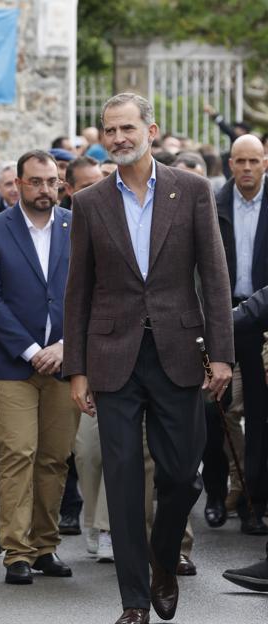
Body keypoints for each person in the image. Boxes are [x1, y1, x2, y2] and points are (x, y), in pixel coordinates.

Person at [63, 93, 233, 624]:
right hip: (112, 356)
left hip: (180, 353)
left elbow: (214, 274)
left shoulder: (193, 190)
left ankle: (163, 557)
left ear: (151, 130)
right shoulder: (89, 203)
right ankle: (134, 600)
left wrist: (222, 355)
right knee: (122, 480)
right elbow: (78, 292)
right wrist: (78, 367)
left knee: (183, 475)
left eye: (127, 128)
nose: (117, 138)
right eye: (109, 130)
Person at [0, 149, 79, 585]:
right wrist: (32, 348)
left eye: (51, 181)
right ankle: (16, 550)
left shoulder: (77, 227)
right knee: (18, 453)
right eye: (35, 181)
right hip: (13, 365)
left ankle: (44, 546)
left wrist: (63, 346)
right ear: (17, 184)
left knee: (55, 458)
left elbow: (88, 295)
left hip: (64, 361)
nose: (44, 190)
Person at [216, 134, 268, 535]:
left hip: (264, 321)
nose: (247, 168)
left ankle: (255, 502)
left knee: (261, 415)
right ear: (229, 163)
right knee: (212, 408)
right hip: (223, 320)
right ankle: (217, 494)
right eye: (240, 161)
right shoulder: (214, 205)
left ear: (265, 162)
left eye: (254, 160)